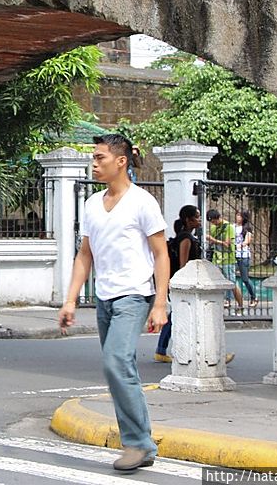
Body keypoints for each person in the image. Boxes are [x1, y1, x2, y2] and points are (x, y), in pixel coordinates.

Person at [58, 134, 168, 472]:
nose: (94, 164)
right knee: (121, 368)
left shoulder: (142, 202)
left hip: (134, 294)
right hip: (104, 298)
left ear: (121, 162)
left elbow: (161, 253)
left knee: (116, 363)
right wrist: (70, 300)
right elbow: (84, 255)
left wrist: (160, 303)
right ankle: (140, 442)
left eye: (100, 158)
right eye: (93, 158)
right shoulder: (92, 203)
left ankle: (139, 443)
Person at [155, 205, 201, 363]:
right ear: (188, 220)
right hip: (183, 282)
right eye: (196, 217)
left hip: (183, 281)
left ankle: (162, 349)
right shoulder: (186, 238)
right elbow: (183, 264)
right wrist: (183, 282)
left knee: (177, 315)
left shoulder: (185, 236)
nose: (199, 220)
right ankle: (163, 350)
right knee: (178, 315)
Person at [206, 209, 243, 313]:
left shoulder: (228, 227)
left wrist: (213, 240)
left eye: (214, 221)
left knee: (232, 283)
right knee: (216, 283)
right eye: (211, 222)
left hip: (228, 259)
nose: (213, 223)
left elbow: (227, 244)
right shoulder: (213, 227)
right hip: (216, 259)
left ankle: (240, 306)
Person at [234, 210, 257, 307]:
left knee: (245, 278)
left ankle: (253, 297)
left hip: (243, 255)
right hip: (233, 255)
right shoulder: (233, 227)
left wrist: (238, 246)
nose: (238, 217)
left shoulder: (247, 228)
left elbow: (247, 241)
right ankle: (228, 299)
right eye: (237, 215)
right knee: (230, 277)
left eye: (240, 216)